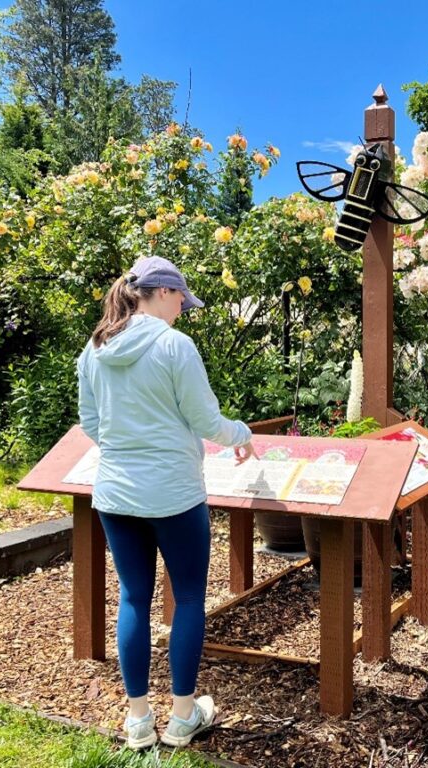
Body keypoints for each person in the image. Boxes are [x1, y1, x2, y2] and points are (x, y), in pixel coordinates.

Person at [77, 255, 256, 749]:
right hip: (175, 494)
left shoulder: (95, 349)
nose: (183, 307)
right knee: (190, 598)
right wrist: (241, 434)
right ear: (159, 291)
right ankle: (182, 716)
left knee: (133, 598)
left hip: (115, 494)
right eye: (181, 297)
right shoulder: (175, 347)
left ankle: (137, 720)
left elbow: (90, 423)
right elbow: (206, 420)